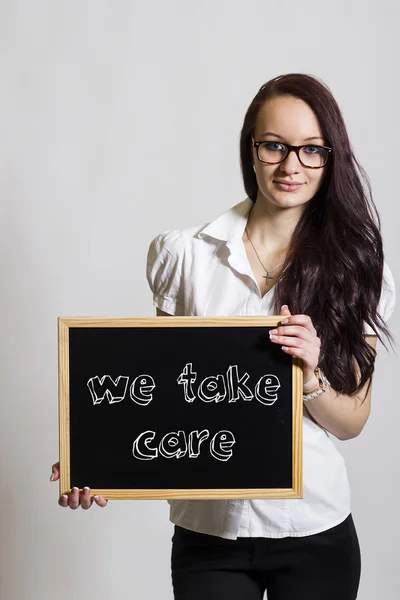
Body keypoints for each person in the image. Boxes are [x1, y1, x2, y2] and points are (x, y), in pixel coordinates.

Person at [51, 73, 396, 600]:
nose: (290, 166)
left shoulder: (360, 271)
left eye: (311, 150)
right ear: (251, 149)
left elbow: (352, 421)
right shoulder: (184, 255)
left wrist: (310, 378)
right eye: (275, 146)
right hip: (208, 532)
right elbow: (165, 391)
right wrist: (95, 455)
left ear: (331, 158)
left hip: (313, 530)